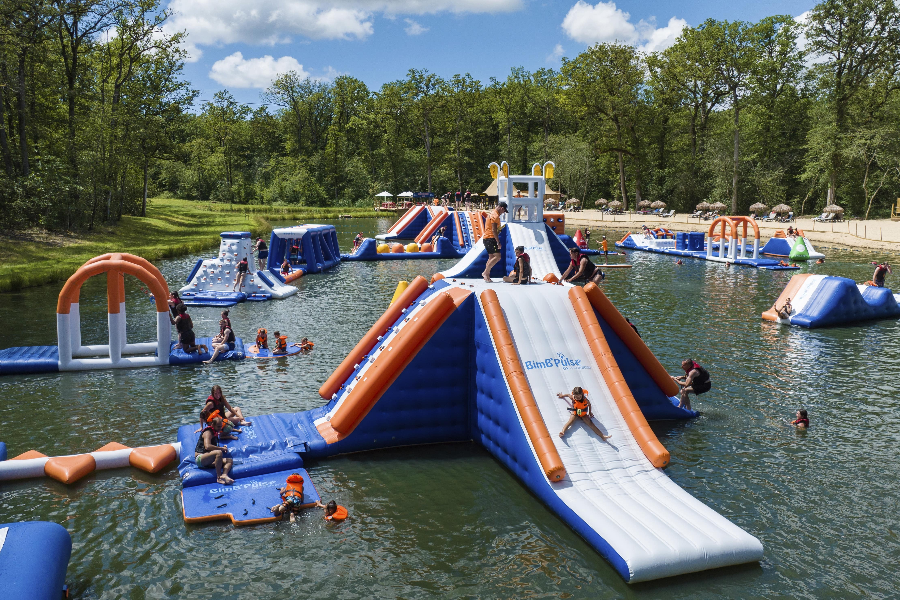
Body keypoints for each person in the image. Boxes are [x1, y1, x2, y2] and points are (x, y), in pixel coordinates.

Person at [195, 416, 234, 485]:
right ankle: (219, 478)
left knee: (229, 460)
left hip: (209, 459)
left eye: (221, 426)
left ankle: (224, 475)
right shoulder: (208, 432)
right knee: (218, 452)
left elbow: (213, 448)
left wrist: (223, 448)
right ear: (212, 425)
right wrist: (221, 449)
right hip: (200, 459)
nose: (220, 428)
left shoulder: (215, 432)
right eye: (218, 426)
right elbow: (207, 446)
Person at [481, 202, 508, 282]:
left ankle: (487, 277)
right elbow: (493, 230)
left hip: (487, 238)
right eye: (504, 211)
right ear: (502, 208)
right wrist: (498, 241)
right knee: (498, 256)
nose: (503, 213)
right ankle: (485, 272)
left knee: (491, 257)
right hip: (490, 238)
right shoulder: (495, 216)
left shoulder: (492, 213)